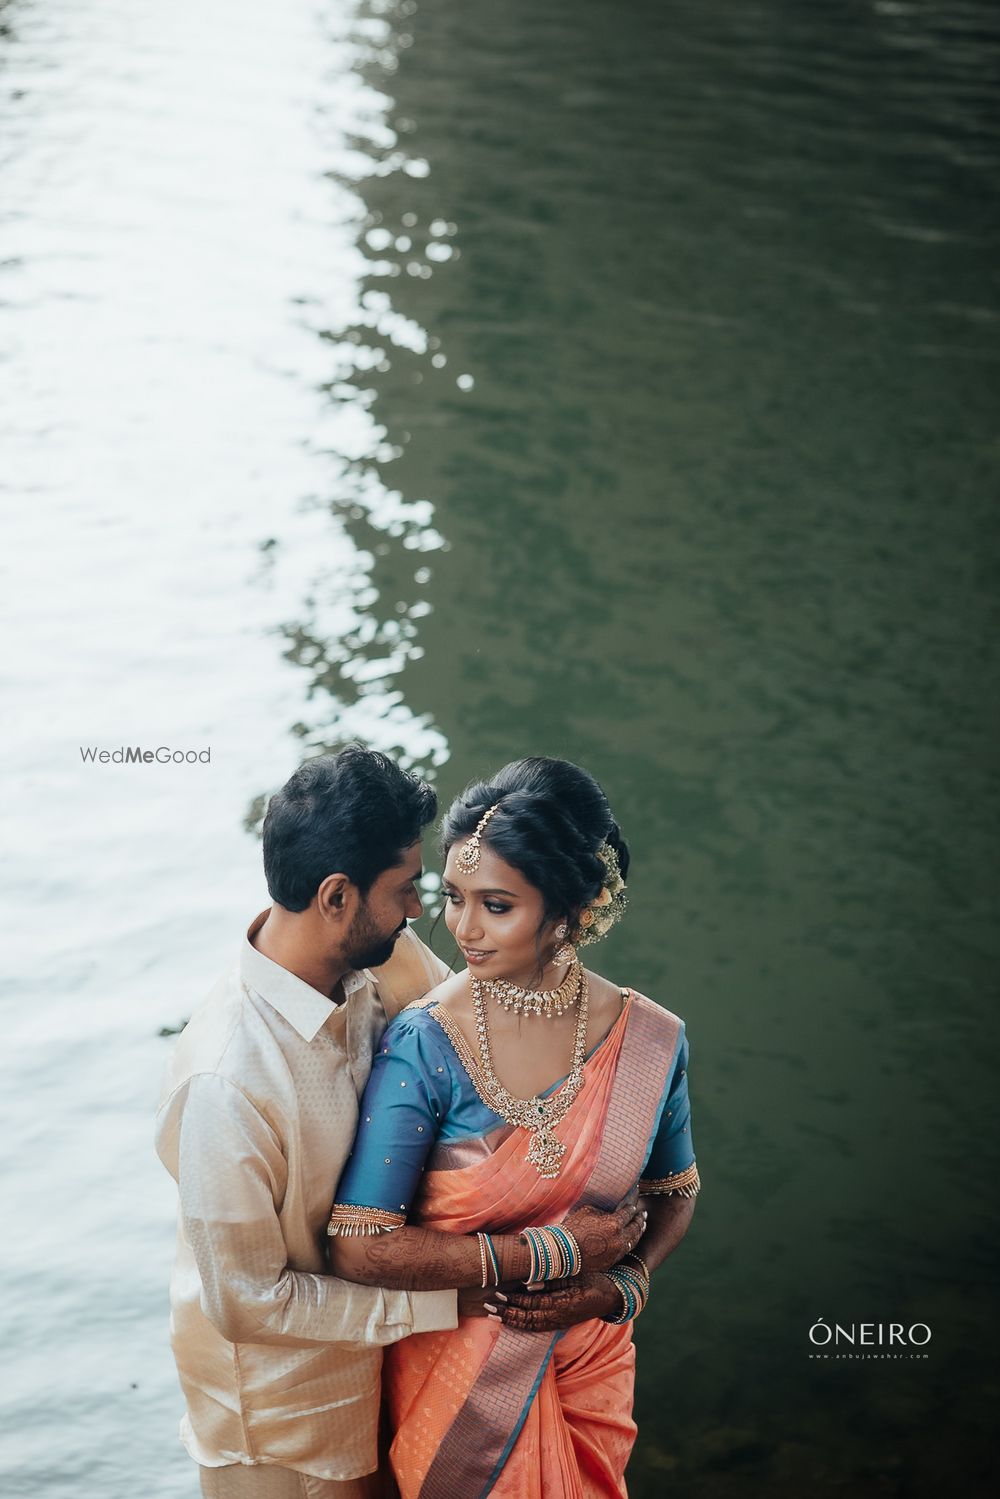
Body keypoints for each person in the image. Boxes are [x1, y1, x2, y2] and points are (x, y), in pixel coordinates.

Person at [327, 756, 700, 1498]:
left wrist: (620, 1285)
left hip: (589, 1363)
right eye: (454, 898)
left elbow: (675, 1190)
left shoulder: (650, 1038)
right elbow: (361, 1245)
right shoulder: (425, 1041)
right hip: (462, 1380)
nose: (465, 928)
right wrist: (549, 1253)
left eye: (497, 905)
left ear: (571, 905)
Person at [155, 747, 460, 1499]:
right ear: (335, 896)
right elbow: (247, 1300)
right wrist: (443, 1303)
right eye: (404, 889)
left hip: (385, 1368)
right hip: (285, 1427)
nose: (418, 908)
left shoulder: (377, 960)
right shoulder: (229, 1081)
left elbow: (470, 1037)